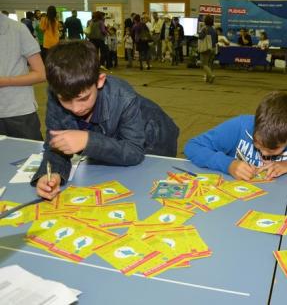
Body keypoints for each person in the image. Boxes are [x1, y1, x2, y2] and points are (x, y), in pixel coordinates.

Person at [31, 41, 179, 199]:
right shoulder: (58, 93)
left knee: (148, 191)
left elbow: (134, 152)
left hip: (155, 136)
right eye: (66, 100)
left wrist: (88, 141)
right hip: (110, 139)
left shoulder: (124, 97)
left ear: (100, 81)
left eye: (83, 98)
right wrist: (53, 173)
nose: (76, 108)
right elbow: (55, 145)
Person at [184, 92, 287, 181]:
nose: (264, 154)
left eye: (272, 150)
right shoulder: (240, 126)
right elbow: (192, 146)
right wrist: (228, 164)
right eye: (257, 145)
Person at [0, 12, 46, 140]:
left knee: (29, 156)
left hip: (18, 113)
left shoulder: (18, 29)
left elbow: (41, 74)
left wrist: (5, 81)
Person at [198, 15, 218, 84]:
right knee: (209, 64)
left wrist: (198, 34)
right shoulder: (214, 29)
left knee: (204, 64)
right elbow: (216, 40)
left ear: (205, 21)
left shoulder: (204, 28)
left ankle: (211, 76)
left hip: (206, 48)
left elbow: (201, 37)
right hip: (213, 48)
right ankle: (207, 79)